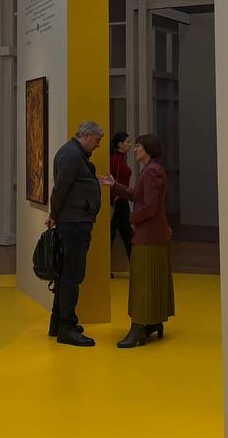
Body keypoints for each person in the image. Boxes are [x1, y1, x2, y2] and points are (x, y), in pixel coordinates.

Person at [102, 133, 175, 348]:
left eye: (138, 146)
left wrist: (131, 219)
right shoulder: (151, 169)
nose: (134, 149)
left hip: (148, 236)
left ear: (148, 149)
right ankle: (152, 322)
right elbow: (136, 195)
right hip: (153, 235)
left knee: (142, 283)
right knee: (150, 281)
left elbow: (150, 206)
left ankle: (138, 327)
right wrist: (114, 185)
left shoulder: (152, 171)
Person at [46, 120, 104, 347]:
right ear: (86, 135)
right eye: (97, 140)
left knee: (66, 274)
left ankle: (58, 322)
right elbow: (60, 187)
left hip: (74, 222)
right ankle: (67, 327)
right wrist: (54, 213)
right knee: (72, 275)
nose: (98, 145)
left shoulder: (73, 153)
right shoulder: (71, 154)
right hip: (74, 224)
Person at [109, 132, 133, 270]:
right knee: (127, 234)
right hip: (119, 201)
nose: (130, 144)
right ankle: (135, 267)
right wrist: (115, 197)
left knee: (115, 234)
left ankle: (107, 268)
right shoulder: (116, 161)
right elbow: (113, 181)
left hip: (119, 200)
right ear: (120, 144)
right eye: (127, 142)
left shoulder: (119, 160)